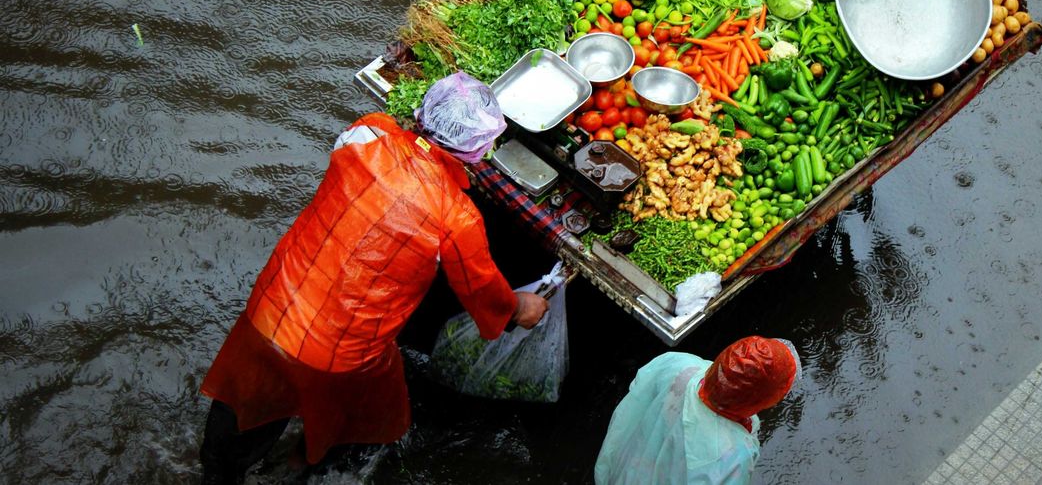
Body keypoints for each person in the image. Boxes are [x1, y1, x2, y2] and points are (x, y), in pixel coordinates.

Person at [198, 73, 548, 484]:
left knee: (241, 421)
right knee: (372, 414)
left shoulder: (367, 132)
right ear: (478, 148)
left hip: (270, 312)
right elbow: (483, 295)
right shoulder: (457, 217)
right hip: (339, 354)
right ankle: (308, 461)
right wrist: (521, 307)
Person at [594, 336, 800, 485]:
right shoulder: (733, 455)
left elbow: (637, 398)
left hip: (622, 471)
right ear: (766, 400)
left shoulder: (679, 364)